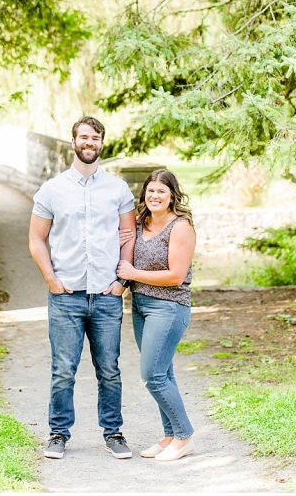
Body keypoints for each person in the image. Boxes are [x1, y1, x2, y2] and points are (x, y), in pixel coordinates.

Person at [29, 115, 137, 460]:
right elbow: (36, 239)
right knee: (63, 370)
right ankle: (58, 434)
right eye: (84, 137)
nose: (89, 143)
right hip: (67, 297)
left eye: (95, 138)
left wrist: (122, 282)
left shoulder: (118, 189)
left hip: (106, 296)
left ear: (102, 143)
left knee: (110, 369)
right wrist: (52, 280)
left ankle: (114, 433)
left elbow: (128, 236)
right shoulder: (52, 190)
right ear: (73, 141)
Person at [115, 169, 197, 462]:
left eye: (162, 191)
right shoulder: (139, 223)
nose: (155, 196)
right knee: (165, 373)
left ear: (172, 195)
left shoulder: (180, 227)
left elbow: (176, 275)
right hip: (140, 306)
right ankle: (170, 436)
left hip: (169, 307)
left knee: (152, 375)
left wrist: (133, 274)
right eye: (151, 191)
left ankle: (185, 436)